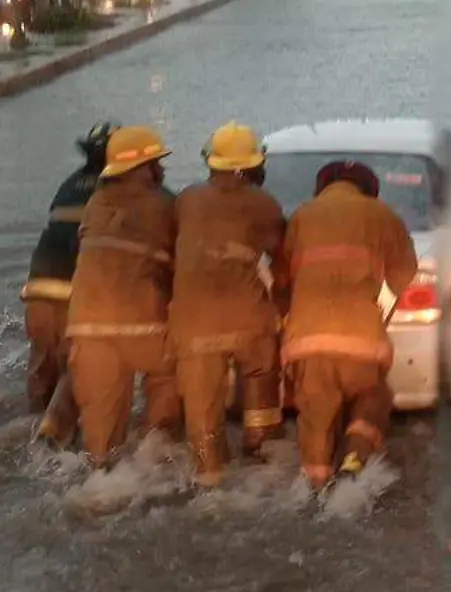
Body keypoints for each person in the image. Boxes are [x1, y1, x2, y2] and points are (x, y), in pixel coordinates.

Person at [281, 160, 418, 490]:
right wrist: (378, 312)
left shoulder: (300, 216)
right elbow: (404, 272)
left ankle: (315, 488)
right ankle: (355, 458)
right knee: (374, 395)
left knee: (316, 422)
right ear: (369, 189)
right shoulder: (383, 216)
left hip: (306, 344)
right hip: (362, 342)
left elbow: (283, 280)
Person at [170, 121, 289, 488]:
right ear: (246, 167)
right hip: (247, 321)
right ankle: (260, 448)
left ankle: (208, 479)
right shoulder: (263, 203)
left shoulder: (186, 199)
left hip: (194, 325)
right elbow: (282, 257)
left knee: (203, 417)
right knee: (261, 379)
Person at [66, 125, 182, 469]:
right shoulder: (166, 205)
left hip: (87, 328)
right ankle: (155, 456)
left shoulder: (94, 204)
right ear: (141, 168)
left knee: (99, 447)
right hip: (143, 326)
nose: (161, 171)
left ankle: (101, 486)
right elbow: (186, 270)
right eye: (156, 164)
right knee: (171, 379)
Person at [23, 121, 119, 448]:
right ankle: (57, 433)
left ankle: (30, 435)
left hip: (37, 289)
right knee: (77, 363)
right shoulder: (116, 190)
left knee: (41, 366)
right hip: (74, 291)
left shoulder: (67, 185)